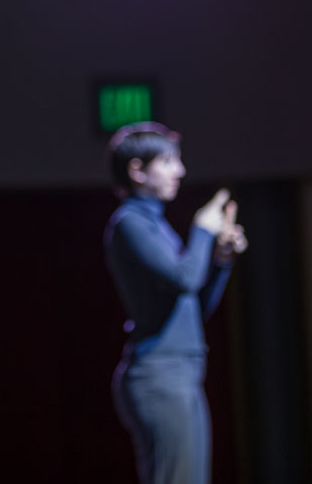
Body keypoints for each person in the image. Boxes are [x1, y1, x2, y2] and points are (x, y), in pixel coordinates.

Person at [103, 122, 247, 484]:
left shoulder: (155, 226)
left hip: (180, 373)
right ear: (137, 170)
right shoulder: (130, 223)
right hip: (160, 375)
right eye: (168, 162)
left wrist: (221, 261)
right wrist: (202, 229)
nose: (179, 171)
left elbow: (193, 306)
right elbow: (185, 278)